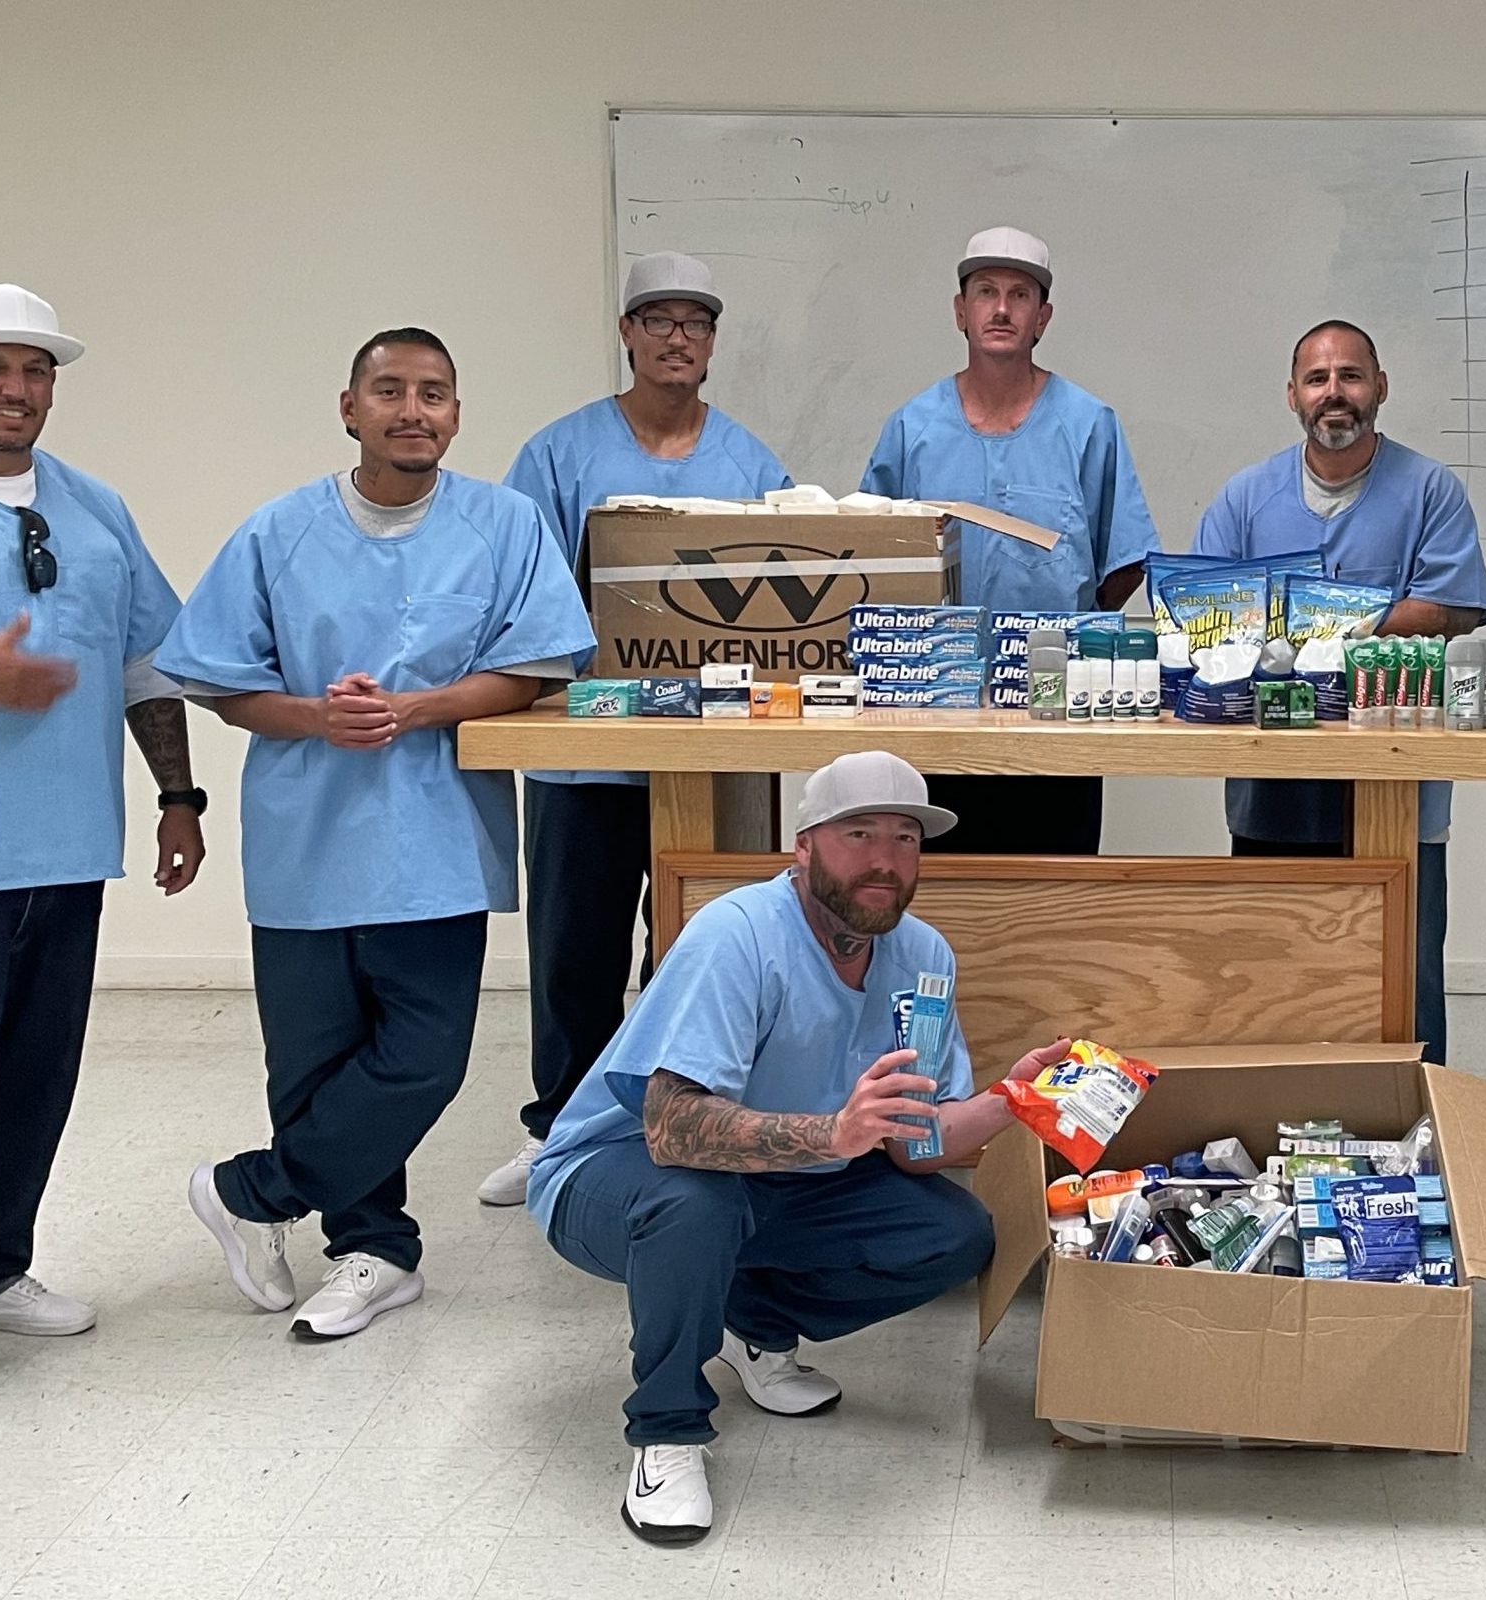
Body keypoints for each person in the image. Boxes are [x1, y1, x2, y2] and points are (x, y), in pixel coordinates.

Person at [162, 328, 594, 1341]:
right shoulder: (280, 533)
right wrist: (320, 716)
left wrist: (418, 706)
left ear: (455, 410)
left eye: (434, 392)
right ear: (348, 408)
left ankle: (249, 1189)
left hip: (433, 834)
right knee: (311, 1062)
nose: (414, 409)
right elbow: (224, 679)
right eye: (390, 390)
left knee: (423, 1057)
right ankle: (374, 1248)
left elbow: (538, 666)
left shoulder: (503, 522)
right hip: (305, 833)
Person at [527, 750, 1066, 1546]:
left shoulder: (923, 957)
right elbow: (671, 1127)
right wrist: (833, 1135)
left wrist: (1011, 1100)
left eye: (906, 838)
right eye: (859, 834)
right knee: (694, 1203)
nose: (886, 860)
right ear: (804, 845)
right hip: (613, 1176)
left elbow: (916, 1149)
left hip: (780, 1178)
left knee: (954, 1233)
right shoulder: (737, 935)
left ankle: (752, 1323)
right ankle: (666, 1431)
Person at [0, 285, 205, 1420]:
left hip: (65, 852)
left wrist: (178, 793)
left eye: (38, 369)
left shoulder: (93, 506)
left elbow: (143, 659)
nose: (17, 390)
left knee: (32, 1075)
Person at [479, 252, 797, 1208]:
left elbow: (795, 594)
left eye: (695, 322)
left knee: (700, 947)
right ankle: (558, 1132)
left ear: (712, 341)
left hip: (720, 754)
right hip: (589, 752)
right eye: (657, 319)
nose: (676, 338)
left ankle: (682, 1121)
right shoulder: (559, 454)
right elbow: (518, 585)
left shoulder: (750, 463)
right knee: (576, 952)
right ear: (626, 333)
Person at [1194, 320, 1486, 1063]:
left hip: (1396, 765)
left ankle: (1413, 1124)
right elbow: (1203, 610)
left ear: (1380, 388)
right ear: (1294, 396)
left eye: (1351, 376)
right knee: (1274, 962)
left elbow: (1450, 608)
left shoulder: (1429, 489)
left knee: (1403, 965)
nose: (1336, 393)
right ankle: (1274, 1113)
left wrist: (1303, 618)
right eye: (1318, 378)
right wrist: (1364, 618)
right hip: (1278, 771)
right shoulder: (1246, 496)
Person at [859, 226, 1159, 852]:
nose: (1001, 309)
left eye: (1020, 295)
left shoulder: (1087, 424)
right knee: (947, 896)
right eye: (986, 291)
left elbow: (1124, 560)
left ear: (1042, 317)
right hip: (934, 708)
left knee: (1056, 893)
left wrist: (1075, 629)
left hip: (1056, 708)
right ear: (959, 312)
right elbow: (875, 559)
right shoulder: (913, 427)